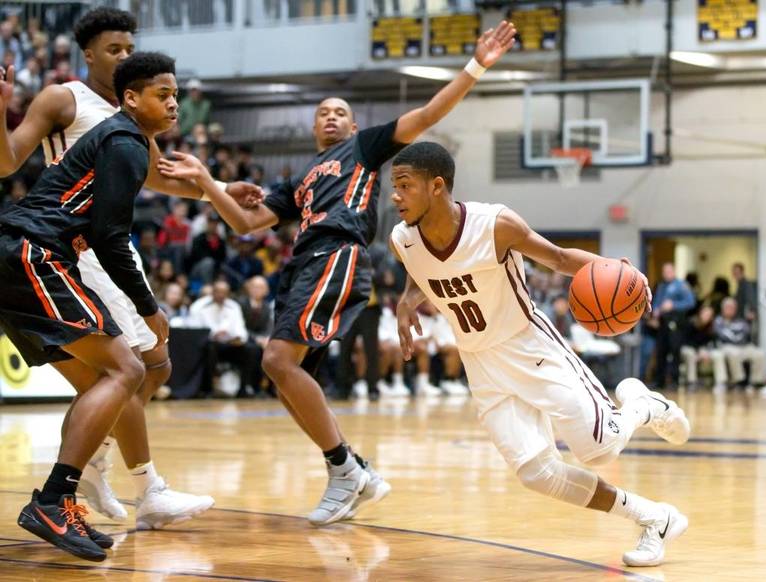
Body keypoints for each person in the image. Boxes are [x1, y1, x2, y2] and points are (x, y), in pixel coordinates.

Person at [157, 20, 518, 526]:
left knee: (277, 359)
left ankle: (345, 470)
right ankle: (355, 469)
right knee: (286, 380)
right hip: (303, 263)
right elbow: (245, 223)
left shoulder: (363, 149)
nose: (331, 116)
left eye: (340, 112)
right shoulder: (301, 179)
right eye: (323, 112)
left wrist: (476, 65)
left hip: (337, 254)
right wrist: (208, 182)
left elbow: (428, 114)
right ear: (314, 127)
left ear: (351, 127)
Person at [0, 7, 260, 528]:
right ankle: (140, 486)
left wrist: (216, 188)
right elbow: (8, 163)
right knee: (126, 368)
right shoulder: (65, 99)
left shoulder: (133, 120)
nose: (123, 56)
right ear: (88, 54)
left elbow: (156, 176)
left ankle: (91, 463)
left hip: (86, 238)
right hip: (74, 246)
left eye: (129, 48)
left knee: (150, 367)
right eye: (113, 49)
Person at [388, 141, 690, 567]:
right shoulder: (402, 239)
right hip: (480, 363)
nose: (395, 196)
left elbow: (560, 259)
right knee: (537, 473)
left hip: (530, 346)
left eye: (404, 185)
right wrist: (407, 300)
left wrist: (621, 272)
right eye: (394, 186)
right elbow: (421, 270)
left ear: (436, 186)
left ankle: (642, 404)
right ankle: (654, 518)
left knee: (601, 450)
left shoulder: (494, 225)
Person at [0, 51, 178, 562]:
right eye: (162, 94)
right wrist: (148, 307)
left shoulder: (120, 139)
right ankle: (54, 501)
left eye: (176, 95)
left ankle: (65, 498)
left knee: (102, 380)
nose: (174, 104)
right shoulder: (125, 141)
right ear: (130, 98)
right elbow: (109, 236)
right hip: (35, 253)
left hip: (22, 255)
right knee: (128, 369)